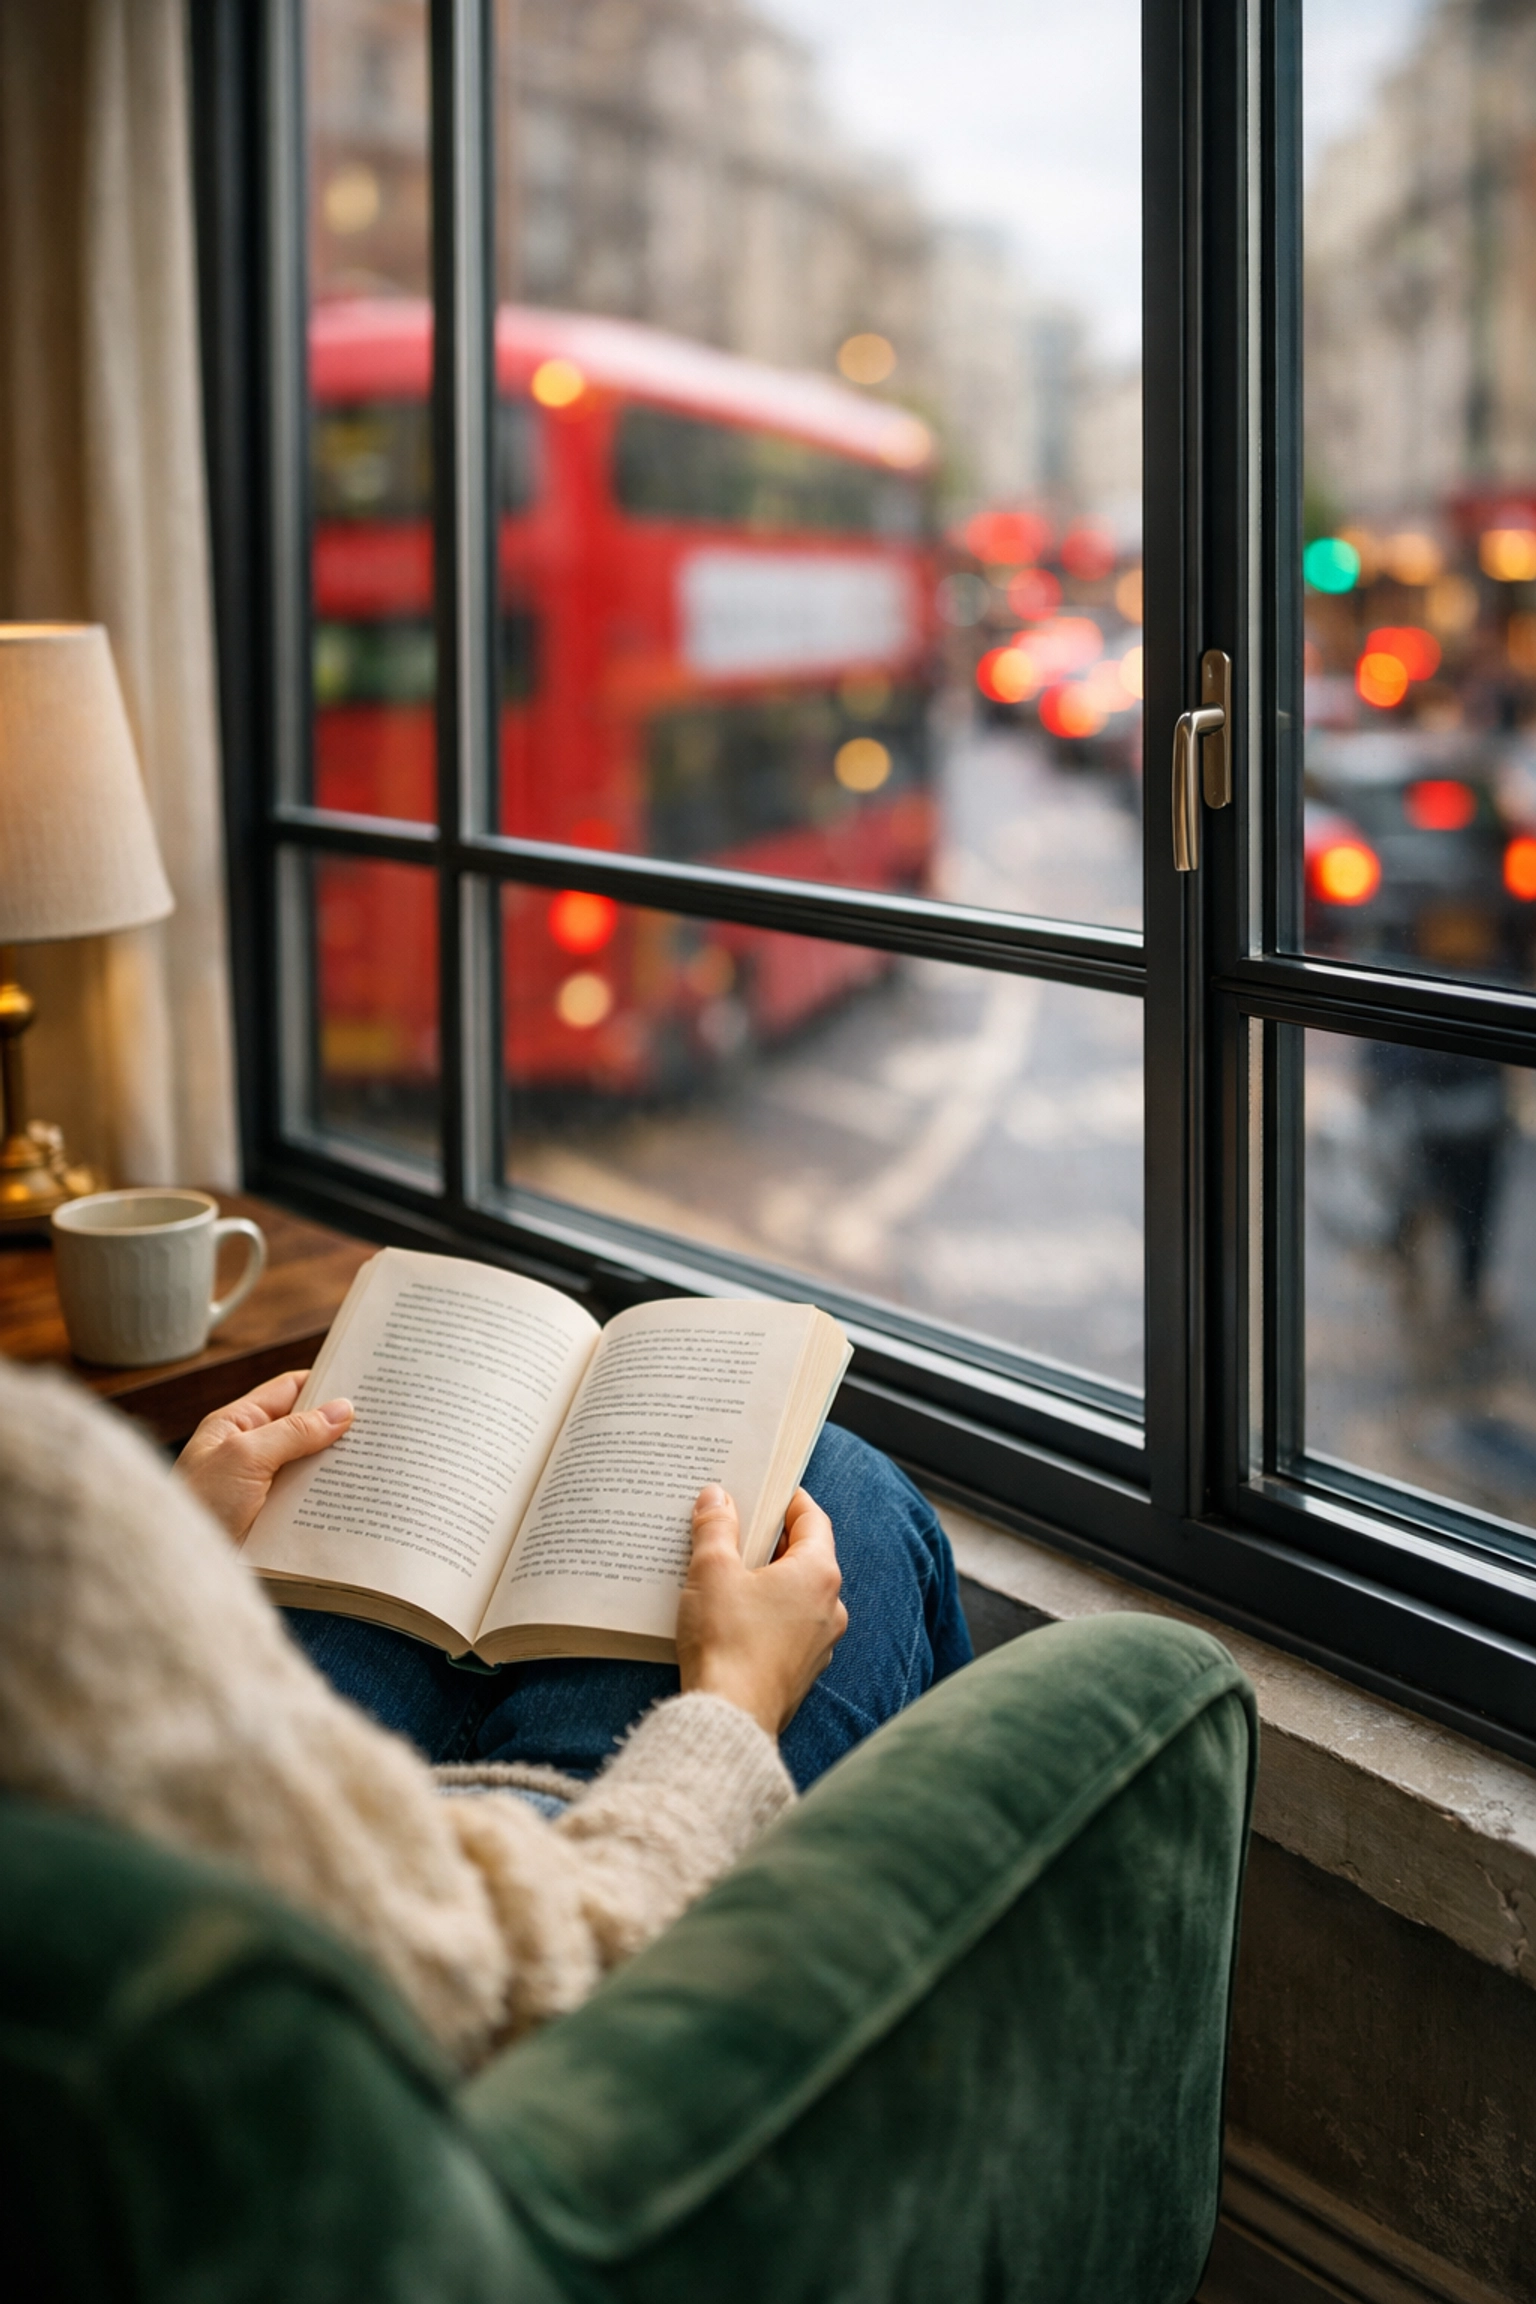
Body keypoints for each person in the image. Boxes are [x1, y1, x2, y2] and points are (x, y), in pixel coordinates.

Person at [0, 1355, 970, 2070]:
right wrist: (736, 1703)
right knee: (845, 1488)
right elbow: (525, 1988)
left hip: (260, 1823)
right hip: (509, 1907)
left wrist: (167, 1561)